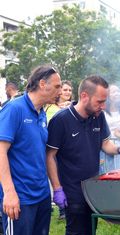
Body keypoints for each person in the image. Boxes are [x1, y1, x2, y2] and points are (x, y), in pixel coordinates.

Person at [46, 75, 120, 235]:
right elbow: (50, 156)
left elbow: (105, 143)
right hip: (71, 187)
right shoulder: (61, 120)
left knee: (90, 228)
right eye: (100, 101)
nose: (103, 105)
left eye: (105, 101)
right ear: (84, 96)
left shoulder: (98, 117)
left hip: (92, 186)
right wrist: (57, 189)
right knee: (73, 232)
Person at [0, 65, 62, 235]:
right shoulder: (15, 109)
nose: (60, 91)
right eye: (57, 86)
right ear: (42, 84)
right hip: (19, 199)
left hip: (41, 197)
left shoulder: (41, 114)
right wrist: (9, 192)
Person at [46, 80, 73, 220]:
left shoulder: (72, 107)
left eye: (69, 90)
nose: (67, 92)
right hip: (53, 148)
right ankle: (61, 208)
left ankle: (67, 207)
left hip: (67, 149)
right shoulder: (50, 108)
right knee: (55, 176)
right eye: (64, 89)